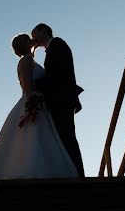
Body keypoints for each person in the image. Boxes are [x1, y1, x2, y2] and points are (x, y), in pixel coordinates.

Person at [0, 34, 78, 179]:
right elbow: (27, 84)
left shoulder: (31, 60)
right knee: (31, 138)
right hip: (33, 103)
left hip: (40, 104)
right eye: (29, 38)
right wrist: (32, 101)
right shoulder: (26, 61)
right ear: (26, 44)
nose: (33, 40)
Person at [31, 23, 85, 177]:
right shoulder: (53, 48)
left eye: (35, 35)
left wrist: (36, 85)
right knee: (63, 136)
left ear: (44, 30)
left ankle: (77, 174)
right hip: (60, 98)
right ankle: (70, 172)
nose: (34, 39)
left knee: (67, 136)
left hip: (62, 99)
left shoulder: (58, 45)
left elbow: (58, 76)